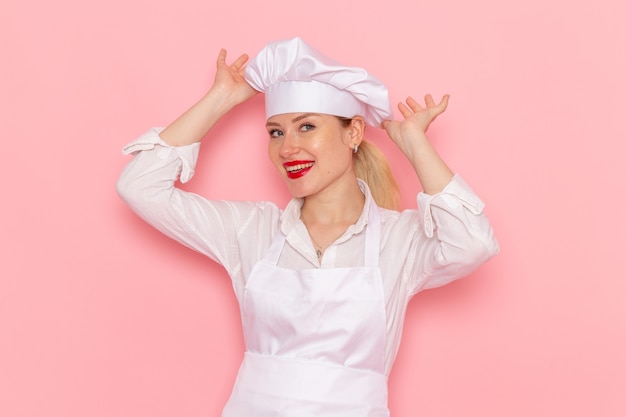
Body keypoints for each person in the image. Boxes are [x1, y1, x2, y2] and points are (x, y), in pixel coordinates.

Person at [117, 37, 499, 416]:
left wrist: (415, 144)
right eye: (276, 132)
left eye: (307, 127)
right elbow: (139, 187)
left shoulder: (400, 241)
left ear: (353, 133)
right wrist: (223, 98)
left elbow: (473, 243)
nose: (287, 148)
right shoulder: (252, 230)